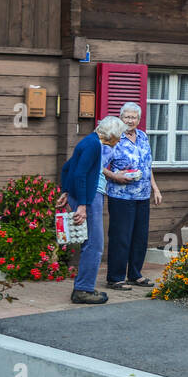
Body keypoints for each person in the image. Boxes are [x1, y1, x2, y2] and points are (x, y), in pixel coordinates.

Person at [60, 115, 127, 304]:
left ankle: (84, 286)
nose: (120, 139)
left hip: (86, 195)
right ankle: (83, 290)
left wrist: (65, 191)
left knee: (89, 243)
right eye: (119, 135)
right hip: (90, 197)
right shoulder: (94, 145)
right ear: (111, 135)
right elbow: (80, 174)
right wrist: (81, 205)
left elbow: (67, 168)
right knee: (94, 245)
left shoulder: (88, 141)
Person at [102, 101, 162, 290]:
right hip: (121, 196)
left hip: (142, 196)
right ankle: (115, 277)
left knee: (140, 237)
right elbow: (99, 164)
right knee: (121, 236)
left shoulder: (143, 137)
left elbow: (147, 165)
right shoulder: (114, 138)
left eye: (134, 117)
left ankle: (135, 274)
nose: (130, 120)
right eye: (127, 117)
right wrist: (115, 176)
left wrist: (155, 188)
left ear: (139, 119)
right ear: (121, 118)